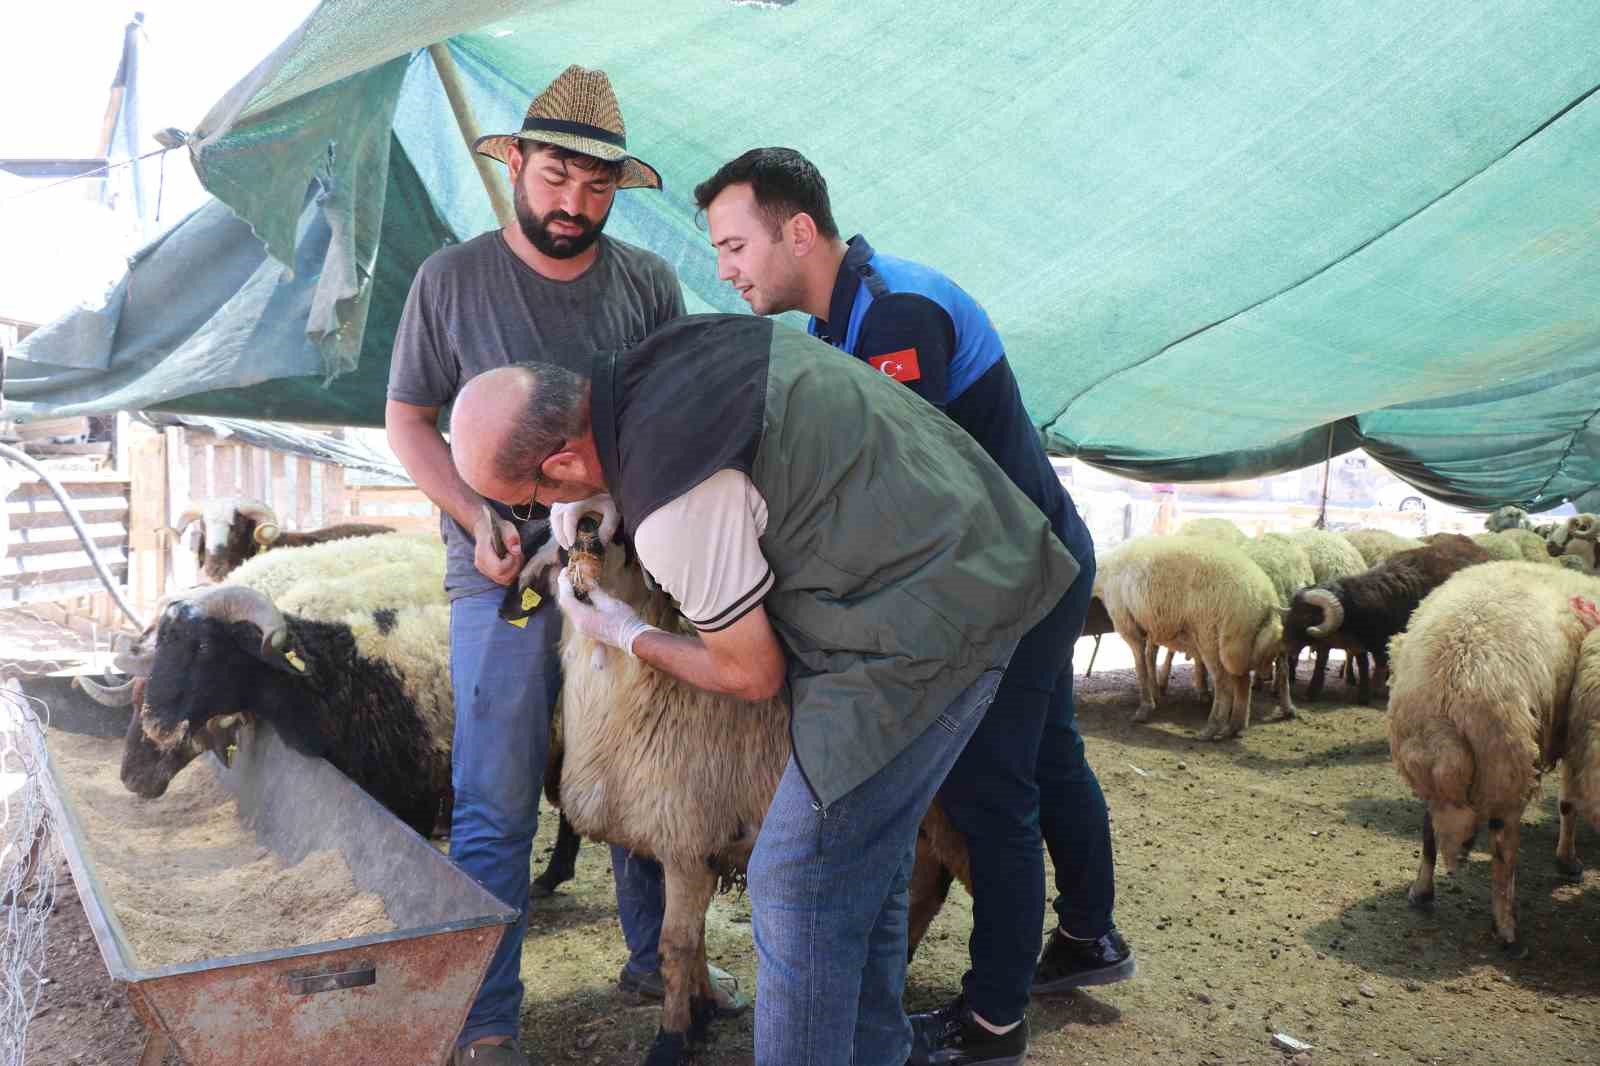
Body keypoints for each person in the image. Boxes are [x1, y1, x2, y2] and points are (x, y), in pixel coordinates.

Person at [446, 313, 1079, 1066]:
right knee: (865, 867)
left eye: (526, 500)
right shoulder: (666, 358)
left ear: (558, 464)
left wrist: (628, 633)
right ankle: (876, 1048)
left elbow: (751, 674)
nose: (537, 518)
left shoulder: (673, 497)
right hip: (974, 554)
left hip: (929, 616)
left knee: (796, 881)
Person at [694, 147, 1134, 1065]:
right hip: (1022, 559)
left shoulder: (894, 311)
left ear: (799, 231)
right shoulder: (835, 327)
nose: (726, 268)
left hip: (1020, 574)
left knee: (989, 792)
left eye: (736, 245)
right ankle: (1089, 938)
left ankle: (995, 1020)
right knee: (1047, 753)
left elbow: (904, 491)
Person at [385, 66, 736, 1066]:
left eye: (594, 187)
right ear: (519, 168)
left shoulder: (645, 286)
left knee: (645, 769)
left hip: (624, 576)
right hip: (495, 576)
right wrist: (471, 515)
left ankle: (656, 962)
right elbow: (406, 419)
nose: (572, 204)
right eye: (554, 178)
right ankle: (490, 1017)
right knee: (494, 795)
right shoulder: (450, 281)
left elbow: (668, 422)